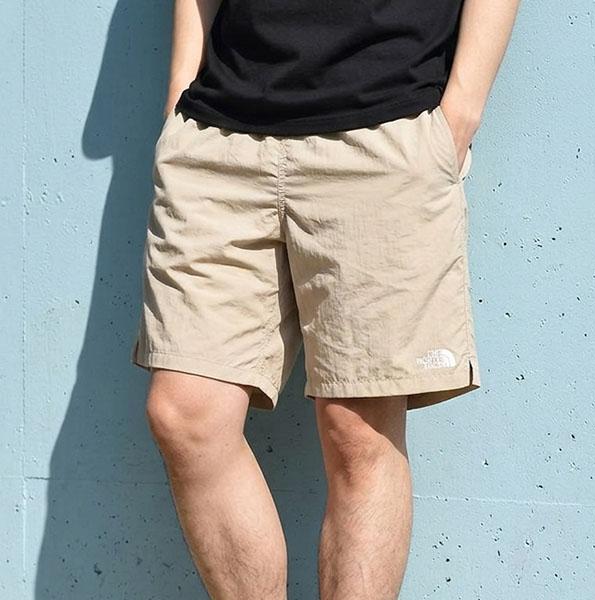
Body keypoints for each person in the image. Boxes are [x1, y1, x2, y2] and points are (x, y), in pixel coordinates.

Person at [130, 1, 521, 597]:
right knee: (185, 414)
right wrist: (179, 96)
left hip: (383, 132)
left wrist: (459, 115)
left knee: (358, 433)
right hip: (218, 138)